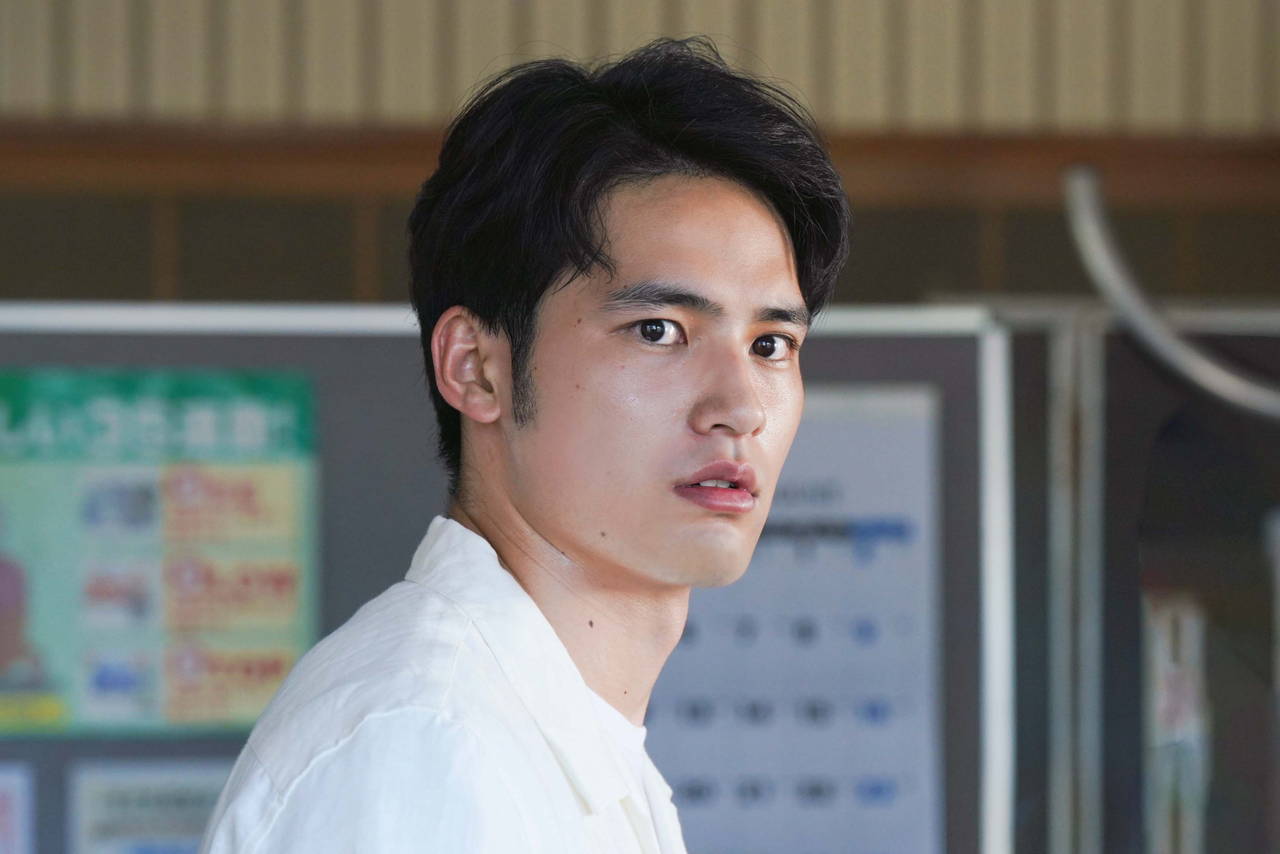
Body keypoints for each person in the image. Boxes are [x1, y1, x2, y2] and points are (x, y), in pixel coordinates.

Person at [200, 37, 849, 853]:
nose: (741, 408)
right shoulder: (426, 743)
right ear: (477, 368)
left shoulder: (542, 729)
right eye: (659, 330)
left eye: (770, 345)